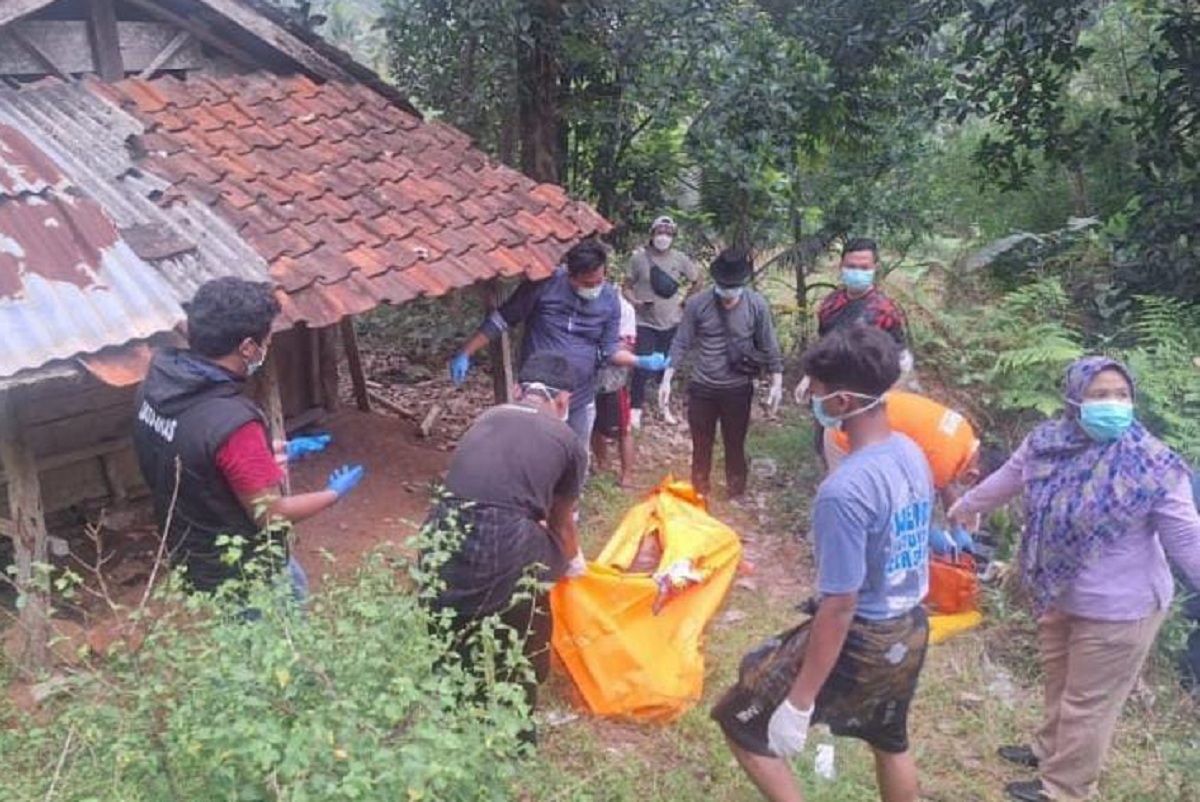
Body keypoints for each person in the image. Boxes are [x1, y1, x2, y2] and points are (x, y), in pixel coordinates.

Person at [947, 356, 1200, 802]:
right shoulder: (1047, 443)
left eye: (1121, 395)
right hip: (1058, 590)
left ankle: (1064, 788)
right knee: (1060, 681)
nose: (1112, 404)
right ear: (1073, 399)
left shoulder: (1154, 466)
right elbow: (1008, 479)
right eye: (1099, 395)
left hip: (1122, 608)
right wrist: (965, 506)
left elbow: (1187, 541)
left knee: (1088, 701)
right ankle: (1048, 751)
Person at [713, 324, 934, 802]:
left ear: (842, 403)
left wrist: (800, 699)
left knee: (740, 720)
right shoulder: (911, 453)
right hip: (911, 625)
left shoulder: (844, 492)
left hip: (863, 635)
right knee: (889, 738)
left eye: (816, 391)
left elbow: (840, 606)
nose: (811, 398)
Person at [132, 277, 364, 596]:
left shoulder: (155, 386)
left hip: (190, 550)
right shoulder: (233, 423)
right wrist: (333, 494)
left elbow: (192, 452)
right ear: (247, 347)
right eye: (266, 340)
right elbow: (271, 515)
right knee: (278, 620)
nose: (267, 348)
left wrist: (265, 455)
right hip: (242, 570)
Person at [421, 352, 589, 730]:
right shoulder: (568, 440)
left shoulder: (488, 416)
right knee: (526, 638)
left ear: (518, 390)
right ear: (564, 401)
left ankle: (451, 719)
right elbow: (561, 523)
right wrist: (575, 563)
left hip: (440, 529)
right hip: (504, 536)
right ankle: (516, 728)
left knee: (453, 637)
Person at [449, 239, 667, 455]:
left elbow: (610, 349)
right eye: (588, 284)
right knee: (532, 453)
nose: (595, 288)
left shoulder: (609, 299)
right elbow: (502, 320)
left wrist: (640, 360)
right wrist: (466, 352)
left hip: (580, 395)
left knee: (574, 455)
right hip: (538, 394)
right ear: (571, 276)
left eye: (600, 281)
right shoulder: (544, 285)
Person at [659, 247, 783, 499]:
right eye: (724, 285)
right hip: (702, 385)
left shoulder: (756, 305)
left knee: (735, 443)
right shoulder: (698, 304)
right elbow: (681, 341)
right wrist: (667, 377)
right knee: (701, 444)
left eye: (733, 286)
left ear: (742, 283)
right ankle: (700, 490)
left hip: (737, 387)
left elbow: (769, 343)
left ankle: (736, 491)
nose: (729, 292)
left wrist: (777, 381)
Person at [794, 237, 913, 405]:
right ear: (841, 266)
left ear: (875, 268)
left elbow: (901, 358)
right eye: (851, 266)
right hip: (830, 394)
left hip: (865, 397)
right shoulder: (830, 304)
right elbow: (824, 346)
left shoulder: (884, 311)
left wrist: (889, 397)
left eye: (864, 267)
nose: (857, 272)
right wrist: (810, 377)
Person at [622, 215, 701, 428]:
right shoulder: (639, 259)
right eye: (659, 232)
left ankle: (663, 406)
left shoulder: (680, 259)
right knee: (642, 364)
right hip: (645, 321)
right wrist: (636, 303)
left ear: (673, 236)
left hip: (672, 321)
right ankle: (635, 410)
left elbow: (696, 280)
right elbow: (626, 286)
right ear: (652, 234)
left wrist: (685, 303)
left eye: (667, 233)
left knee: (667, 366)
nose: (663, 237)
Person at [591, 288, 638, 487]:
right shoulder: (587, 302)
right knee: (592, 422)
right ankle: (602, 464)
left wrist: (603, 349)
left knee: (622, 428)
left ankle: (627, 474)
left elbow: (627, 346)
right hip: (587, 373)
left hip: (613, 377)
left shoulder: (624, 308)